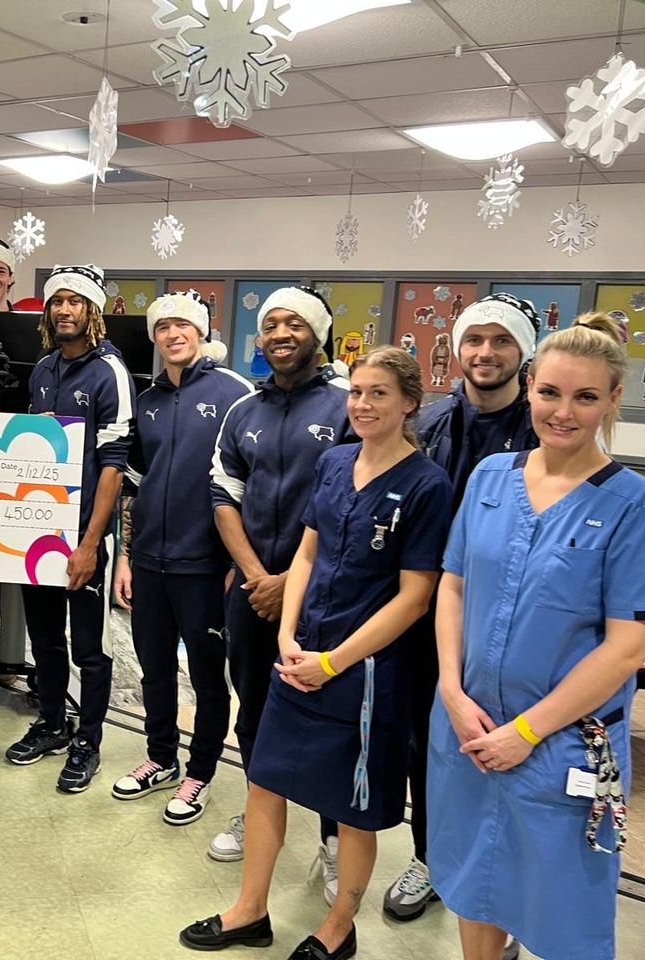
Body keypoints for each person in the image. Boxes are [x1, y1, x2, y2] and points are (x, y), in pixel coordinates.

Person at [181, 346, 452, 958]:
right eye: (356, 392)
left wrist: (334, 662)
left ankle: (338, 927)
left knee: (352, 809)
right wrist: (287, 636)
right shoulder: (334, 463)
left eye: (379, 393)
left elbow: (415, 598)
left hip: (366, 670)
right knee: (264, 780)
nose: (363, 404)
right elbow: (308, 552)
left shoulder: (426, 485)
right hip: (300, 653)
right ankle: (250, 910)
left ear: (410, 403)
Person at [428, 316, 645, 960]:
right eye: (550, 393)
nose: (563, 412)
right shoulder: (490, 478)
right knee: (472, 880)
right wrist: (451, 691)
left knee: (562, 907)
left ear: (613, 399)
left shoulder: (634, 507)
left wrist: (527, 732)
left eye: (585, 397)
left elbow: (626, 647)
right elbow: (453, 587)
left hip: (563, 744)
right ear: (531, 387)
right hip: (469, 727)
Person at [382, 293, 541, 931]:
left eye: (501, 340)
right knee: (430, 747)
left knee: (509, 751)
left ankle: (503, 894)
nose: (485, 352)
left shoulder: (543, 429)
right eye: (474, 339)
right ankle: (432, 856)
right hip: (429, 614)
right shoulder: (432, 422)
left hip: (512, 624)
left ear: (523, 351)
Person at [207, 287, 350, 896]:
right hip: (253, 591)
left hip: (324, 597)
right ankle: (259, 811)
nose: (281, 334)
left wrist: (291, 581)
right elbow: (223, 495)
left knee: (325, 718)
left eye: (295, 324)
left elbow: (356, 508)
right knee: (255, 709)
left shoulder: (348, 406)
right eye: (271, 325)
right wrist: (257, 577)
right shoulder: (244, 410)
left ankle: (334, 838)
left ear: (317, 335)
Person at [111, 292, 252, 825]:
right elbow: (134, 484)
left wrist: (237, 564)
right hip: (149, 560)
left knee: (208, 676)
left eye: (183, 325)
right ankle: (161, 757)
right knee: (154, 669)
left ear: (201, 331)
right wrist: (126, 556)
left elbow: (248, 487)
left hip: (206, 565)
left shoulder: (234, 393)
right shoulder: (146, 400)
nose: (173, 334)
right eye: (163, 327)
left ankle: (201, 772)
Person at [5, 264, 134, 793]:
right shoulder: (43, 370)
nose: (63, 310)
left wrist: (89, 545)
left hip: (86, 535)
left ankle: (89, 740)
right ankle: (53, 723)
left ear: (92, 310)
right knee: (44, 638)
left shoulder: (109, 373)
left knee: (89, 647)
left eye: (74, 301)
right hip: (41, 533)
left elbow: (114, 467)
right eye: (56, 301)